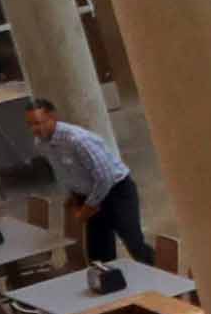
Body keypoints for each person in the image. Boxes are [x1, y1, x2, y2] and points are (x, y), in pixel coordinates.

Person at [27, 99, 144, 266]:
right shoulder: (41, 144)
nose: (34, 129)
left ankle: (167, 282)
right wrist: (72, 196)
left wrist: (87, 209)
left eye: (38, 123)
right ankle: (112, 285)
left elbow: (105, 177)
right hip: (87, 195)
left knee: (135, 244)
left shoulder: (78, 140)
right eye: (30, 124)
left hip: (116, 192)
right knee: (98, 254)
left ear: (52, 117)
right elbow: (62, 171)